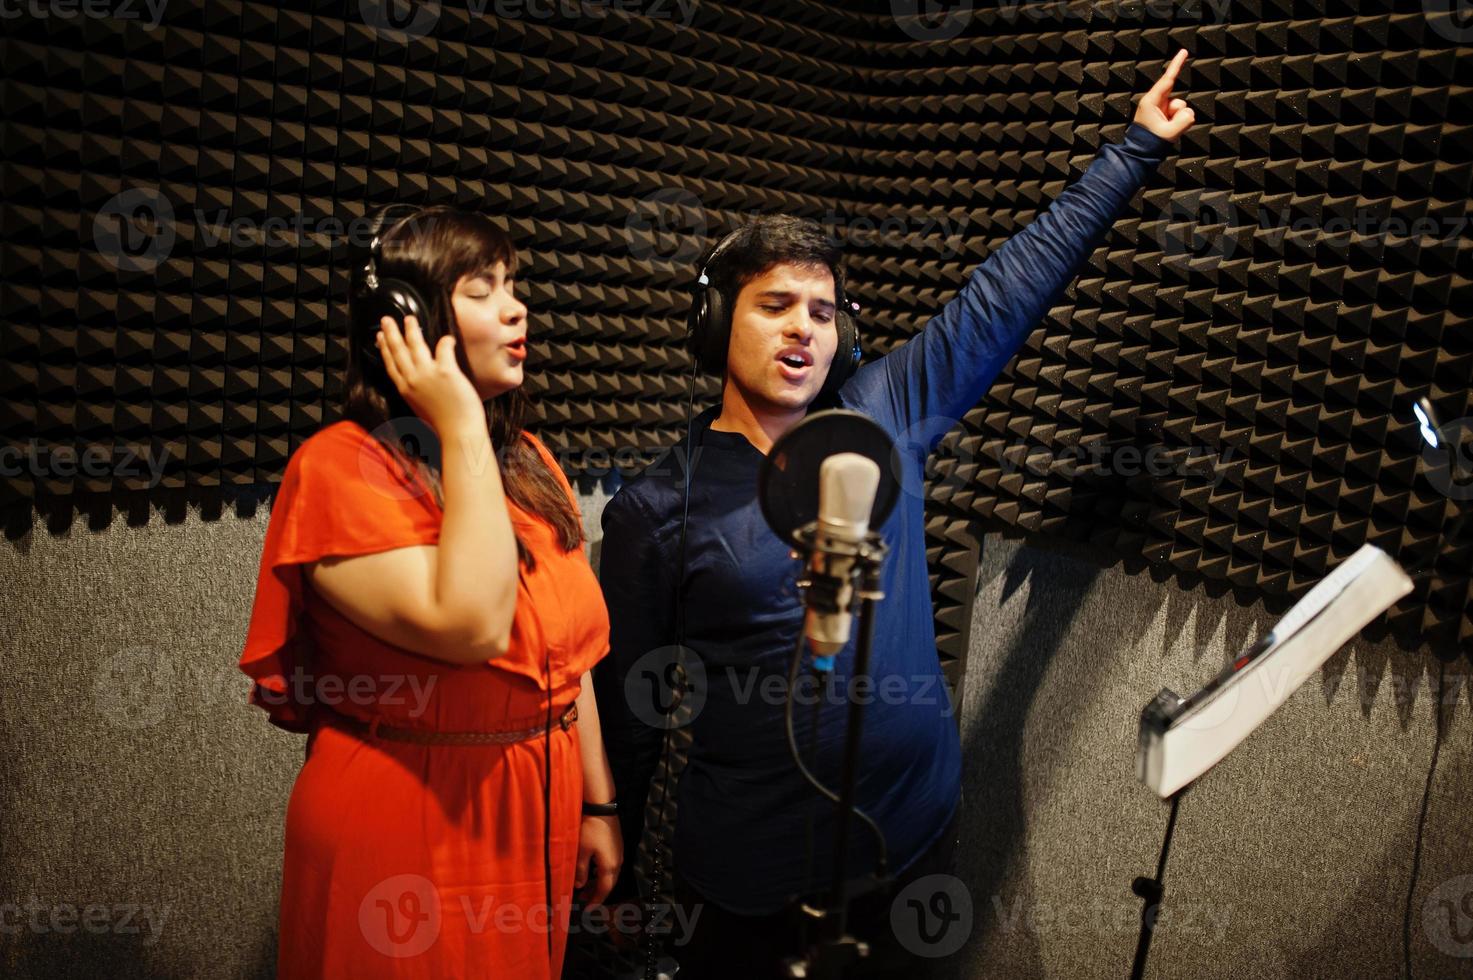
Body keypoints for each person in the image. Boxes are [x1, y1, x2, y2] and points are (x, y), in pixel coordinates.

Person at [593, 52, 1197, 977]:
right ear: (716, 326)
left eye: (824, 311)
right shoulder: (653, 509)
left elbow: (1005, 292)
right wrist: (623, 871)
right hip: (755, 882)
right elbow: (630, 714)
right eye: (776, 305)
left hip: (914, 843)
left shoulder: (882, 411)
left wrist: (1132, 151)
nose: (804, 327)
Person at [237, 206, 621, 978]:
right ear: (403, 318)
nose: (517, 308)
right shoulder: (338, 468)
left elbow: (565, 661)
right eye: (483, 289)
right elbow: (474, 624)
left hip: (533, 808)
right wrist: (460, 425)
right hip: (409, 814)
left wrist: (597, 803)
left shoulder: (529, 463)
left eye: (513, 285)